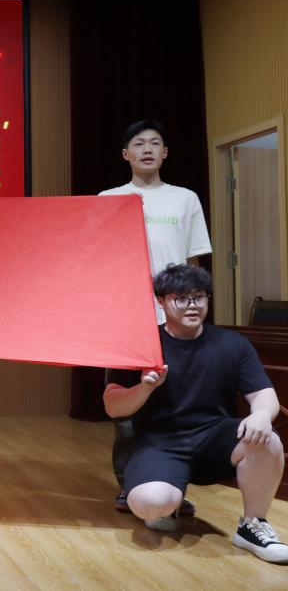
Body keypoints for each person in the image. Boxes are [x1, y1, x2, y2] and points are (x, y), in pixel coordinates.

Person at [103, 265, 287, 563]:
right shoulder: (143, 346)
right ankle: (169, 503)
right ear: (161, 301)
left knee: (269, 440)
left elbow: (264, 394)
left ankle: (253, 525)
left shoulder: (232, 344)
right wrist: (144, 388)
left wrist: (262, 415)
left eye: (199, 297)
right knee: (150, 503)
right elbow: (113, 405)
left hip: (216, 438)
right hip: (160, 443)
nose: (192, 305)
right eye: (181, 298)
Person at [100, 119, 212, 513]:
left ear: (165, 153)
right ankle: (127, 484)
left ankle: (172, 484)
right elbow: (96, 258)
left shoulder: (185, 198)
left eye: (154, 143)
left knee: (176, 404)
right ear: (125, 154)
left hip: (175, 316)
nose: (146, 149)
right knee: (126, 404)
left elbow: (195, 261)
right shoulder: (108, 198)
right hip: (126, 316)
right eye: (138, 143)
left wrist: (195, 311)